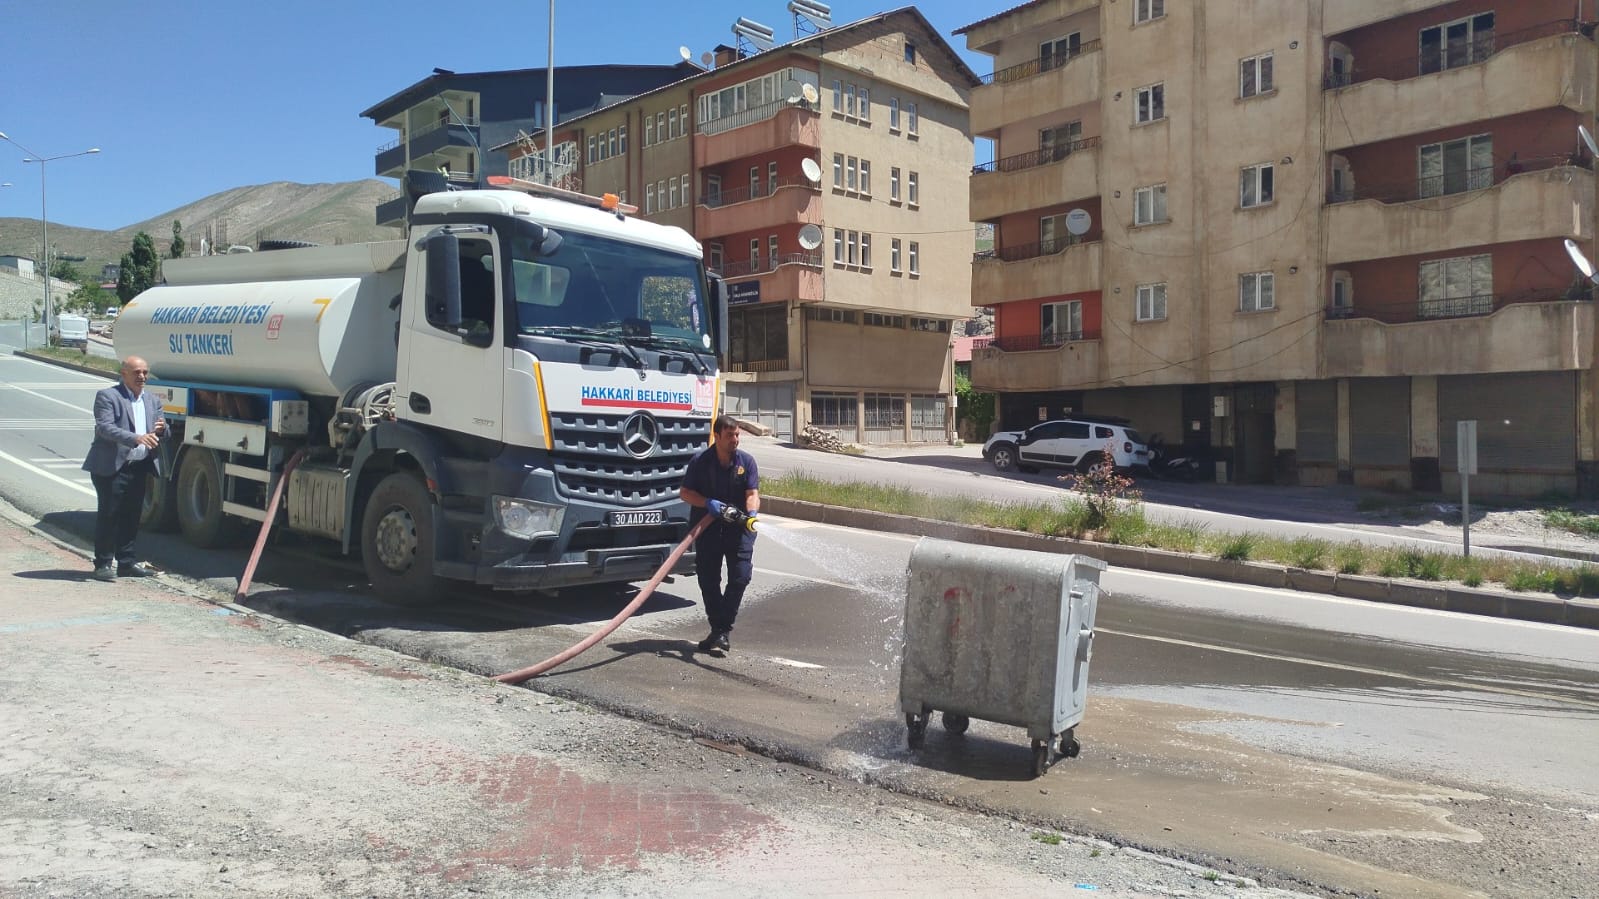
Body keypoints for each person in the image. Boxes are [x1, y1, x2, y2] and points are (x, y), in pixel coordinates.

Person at [678, 415, 760, 655]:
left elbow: (752, 492)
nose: (735, 440)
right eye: (729, 436)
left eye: (737, 435)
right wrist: (707, 503)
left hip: (739, 530)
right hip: (709, 529)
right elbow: (684, 493)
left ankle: (720, 631)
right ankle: (719, 631)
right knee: (708, 580)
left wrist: (752, 512)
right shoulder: (700, 462)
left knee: (741, 577)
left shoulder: (747, 462)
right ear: (717, 436)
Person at [82, 355, 166, 582]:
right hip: (111, 466)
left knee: (132, 515)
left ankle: (126, 563)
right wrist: (136, 438)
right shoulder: (108, 396)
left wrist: (162, 428)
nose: (142, 377)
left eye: (145, 372)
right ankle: (103, 563)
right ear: (124, 374)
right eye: (137, 372)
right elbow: (105, 428)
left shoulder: (151, 400)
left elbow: (161, 430)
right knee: (110, 514)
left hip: (139, 466)